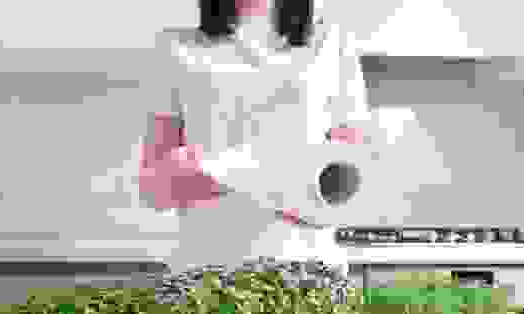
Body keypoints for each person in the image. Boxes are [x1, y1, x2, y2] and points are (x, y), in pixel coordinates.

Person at [139, 0, 371, 282]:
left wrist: (207, 165)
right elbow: (155, 187)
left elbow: (349, 190)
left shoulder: (332, 43)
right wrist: (286, 176)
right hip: (203, 285)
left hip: (308, 279)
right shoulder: (175, 49)